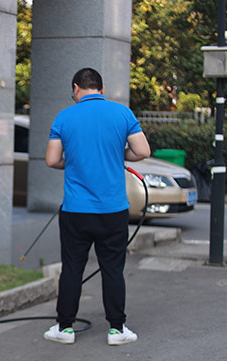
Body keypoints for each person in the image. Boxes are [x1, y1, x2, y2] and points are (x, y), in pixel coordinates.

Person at [43, 67, 150, 346]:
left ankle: (64, 328)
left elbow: (52, 160)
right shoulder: (122, 113)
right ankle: (117, 329)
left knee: (72, 268)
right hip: (113, 210)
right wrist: (118, 155)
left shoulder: (64, 117)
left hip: (76, 211)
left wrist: (74, 161)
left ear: (76, 88)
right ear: (101, 90)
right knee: (112, 269)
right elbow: (142, 151)